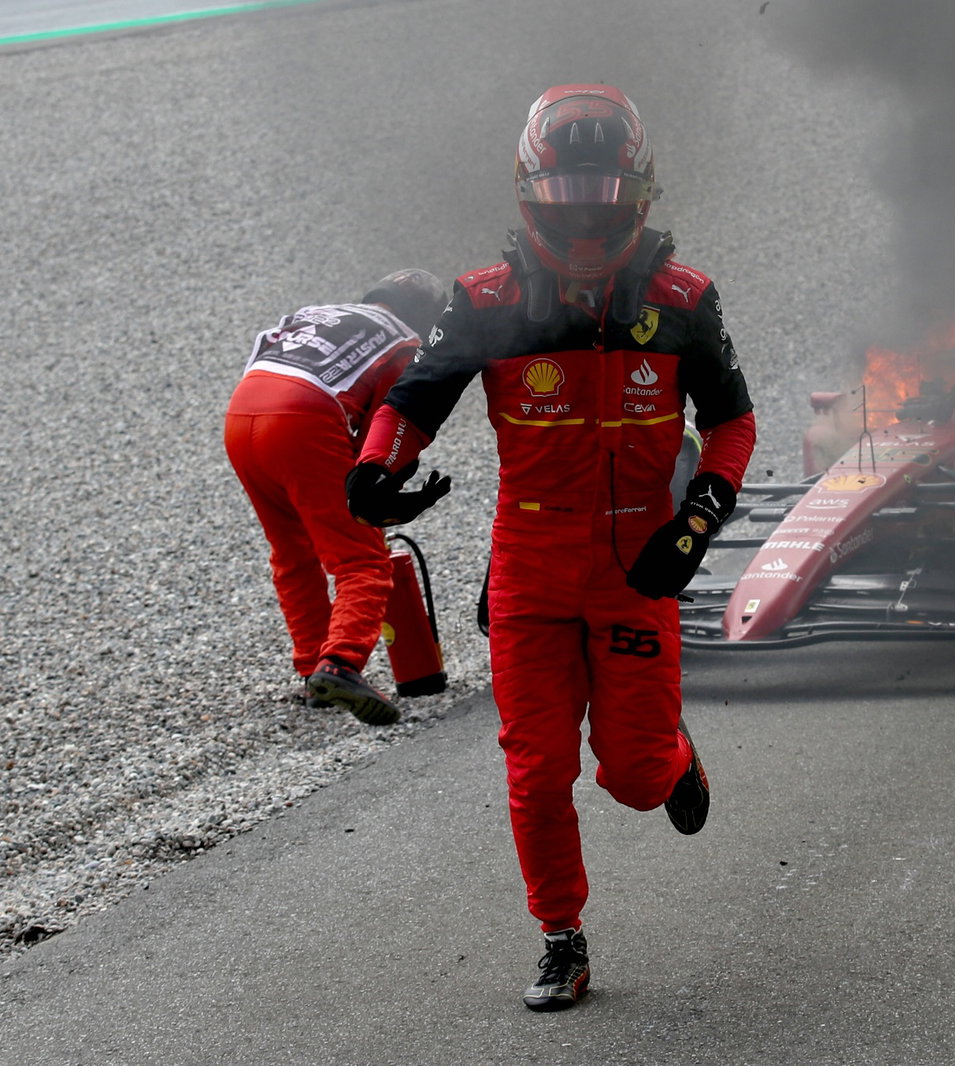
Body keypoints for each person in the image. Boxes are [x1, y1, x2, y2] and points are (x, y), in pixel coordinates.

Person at [345, 84, 756, 1012]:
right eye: (564, 191)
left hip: (638, 564)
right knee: (535, 769)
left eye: (600, 191)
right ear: (531, 191)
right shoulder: (485, 301)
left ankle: (670, 759)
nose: (583, 212)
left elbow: (731, 423)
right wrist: (373, 469)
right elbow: (414, 401)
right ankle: (560, 938)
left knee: (635, 777)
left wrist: (696, 527)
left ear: (638, 192)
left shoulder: (682, 300)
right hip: (529, 558)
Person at [224, 270, 450, 726]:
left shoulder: (320, 313)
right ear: (425, 317)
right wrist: (379, 500)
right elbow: (381, 441)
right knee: (360, 559)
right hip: (303, 415)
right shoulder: (406, 342)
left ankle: (312, 668)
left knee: (292, 551)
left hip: (240, 414)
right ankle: (341, 664)